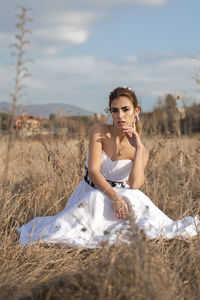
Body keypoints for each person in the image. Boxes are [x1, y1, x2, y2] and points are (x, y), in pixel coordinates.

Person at [17, 86, 200, 248]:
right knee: (94, 200)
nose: (120, 116)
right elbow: (94, 171)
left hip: (123, 194)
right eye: (115, 110)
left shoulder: (141, 150)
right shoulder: (99, 131)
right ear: (110, 112)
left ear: (136, 111)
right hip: (92, 191)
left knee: (141, 210)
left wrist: (138, 148)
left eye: (125, 109)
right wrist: (114, 198)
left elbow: (135, 184)